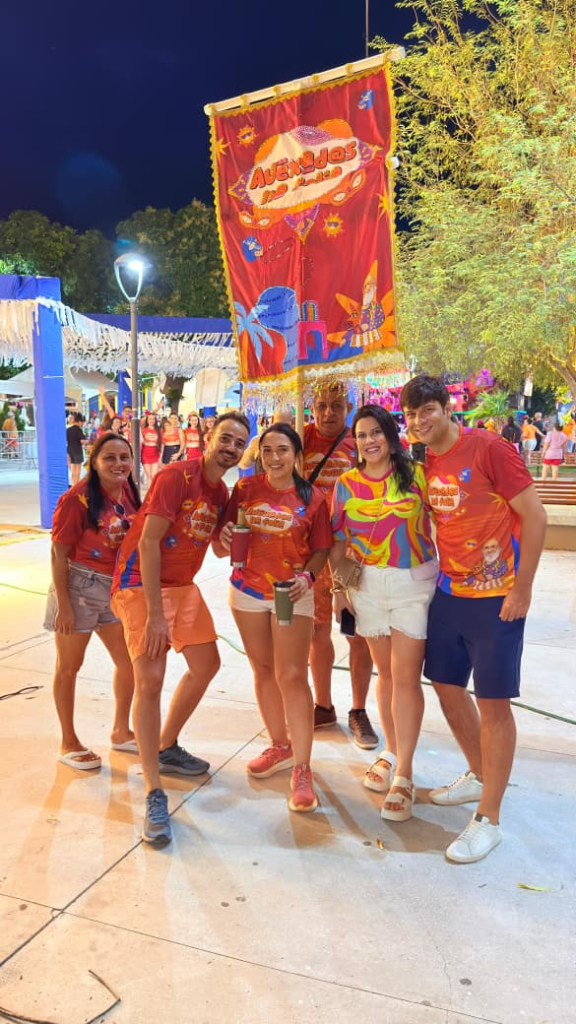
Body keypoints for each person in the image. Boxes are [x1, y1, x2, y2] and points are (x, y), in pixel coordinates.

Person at [401, 374, 546, 863]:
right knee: (445, 685)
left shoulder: (488, 449)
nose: (420, 421)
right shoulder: (425, 459)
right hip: (449, 590)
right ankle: (481, 775)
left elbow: (536, 515)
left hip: (497, 595)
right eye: (412, 414)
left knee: (494, 703)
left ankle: (489, 820)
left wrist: (522, 587)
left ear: (447, 408)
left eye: (428, 410)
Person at [111, 412, 250, 846]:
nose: (231, 447)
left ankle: (166, 744)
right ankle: (154, 790)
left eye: (239, 442)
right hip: (141, 585)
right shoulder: (175, 477)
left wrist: (227, 539)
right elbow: (149, 542)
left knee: (207, 665)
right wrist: (155, 615)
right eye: (225, 438)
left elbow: (216, 545)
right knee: (150, 680)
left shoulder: (221, 491)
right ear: (209, 437)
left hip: (182, 586)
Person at [215, 423, 332, 813]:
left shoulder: (312, 498)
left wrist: (307, 578)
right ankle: (279, 745)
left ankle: (302, 767)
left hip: (290, 594)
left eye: (282, 449)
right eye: (267, 450)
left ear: (296, 455)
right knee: (263, 670)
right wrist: (224, 537)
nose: (274, 457)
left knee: (292, 675)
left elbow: (321, 549)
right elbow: (222, 540)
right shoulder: (245, 489)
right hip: (246, 591)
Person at [330, 405, 437, 821]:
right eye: (361, 435)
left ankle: (404, 774)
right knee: (387, 674)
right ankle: (391, 752)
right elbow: (338, 542)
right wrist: (339, 590)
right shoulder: (345, 485)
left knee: (406, 677)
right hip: (366, 588)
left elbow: (447, 523)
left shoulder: (417, 477)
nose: (369, 441)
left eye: (376, 432)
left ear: (390, 435)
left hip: (412, 585)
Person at [44, 432, 141, 769]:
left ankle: (121, 731)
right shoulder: (77, 499)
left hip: (114, 590)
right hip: (79, 588)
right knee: (69, 667)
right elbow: (58, 554)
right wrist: (64, 606)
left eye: (124, 457)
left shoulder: (128, 491)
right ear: (94, 462)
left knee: (130, 663)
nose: (118, 464)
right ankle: (68, 741)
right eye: (109, 458)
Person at [303, 382, 377, 749]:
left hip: (350, 552)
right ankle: (323, 705)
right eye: (321, 405)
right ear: (312, 407)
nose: (328, 412)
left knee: (356, 631)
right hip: (314, 552)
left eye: (336, 405)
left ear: (349, 407)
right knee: (317, 630)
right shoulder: (300, 438)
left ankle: (358, 710)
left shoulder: (360, 441)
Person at [140, 412, 161, 488]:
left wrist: (160, 456)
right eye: (150, 419)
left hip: (155, 454)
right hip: (145, 454)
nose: (151, 420)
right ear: (147, 420)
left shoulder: (158, 431)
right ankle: (150, 493)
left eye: (153, 419)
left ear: (155, 420)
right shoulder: (143, 430)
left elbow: (162, 444)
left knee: (154, 476)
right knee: (149, 476)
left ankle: (154, 492)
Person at [66, 413, 86, 486]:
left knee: (73, 470)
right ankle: (76, 485)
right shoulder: (79, 430)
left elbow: (66, 441)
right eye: (81, 422)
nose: (81, 424)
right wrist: (87, 442)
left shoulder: (68, 430)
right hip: (77, 451)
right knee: (77, 470)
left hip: (70, 451)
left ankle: (74, 484)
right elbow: (82, 441)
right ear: (79, 421)